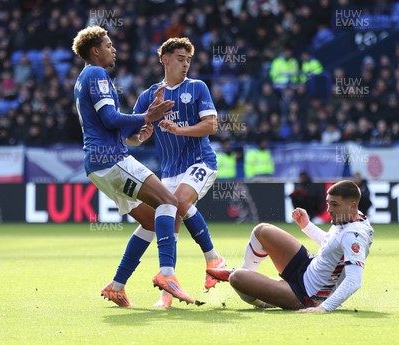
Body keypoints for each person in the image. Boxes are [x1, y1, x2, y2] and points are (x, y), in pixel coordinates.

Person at [71, 26, 199, 306]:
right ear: (95, 51)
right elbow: (109, 117)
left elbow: (105, 125)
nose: (113, 49)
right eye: (108, 45)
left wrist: (138, 131)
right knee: (169, 201)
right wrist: (147, 115)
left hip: (98, 164)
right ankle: (167, 274)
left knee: (155, 221)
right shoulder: (96, 73)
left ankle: (117, 286)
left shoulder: (83, 78)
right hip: (110, 160)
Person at [122, 37, 226, 308]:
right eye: (180, 59)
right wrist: (140, 137)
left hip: (200, 162)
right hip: (169, 170)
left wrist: (180, 130)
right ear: (164, 59)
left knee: (176, 204)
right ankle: (168, 291)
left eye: (188, 60)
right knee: (165, 222)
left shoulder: (197, 87)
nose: (185, 65)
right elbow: (132, 137)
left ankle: (211, 260)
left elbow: (211, 125)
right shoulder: (148, 97)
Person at [207, 180, 374, 312]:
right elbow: (332, 246)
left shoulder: (355, 235)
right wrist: (306, 226)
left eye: (334, 205)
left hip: (306, 294)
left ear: (352, 205)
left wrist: (325, 307)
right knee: (262, 230)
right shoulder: (352, 216)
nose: (329, 209)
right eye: (328, 203)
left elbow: (354, 280)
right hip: (308, 266)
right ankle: (246, 270)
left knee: (237, 279)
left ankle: (267, 301)